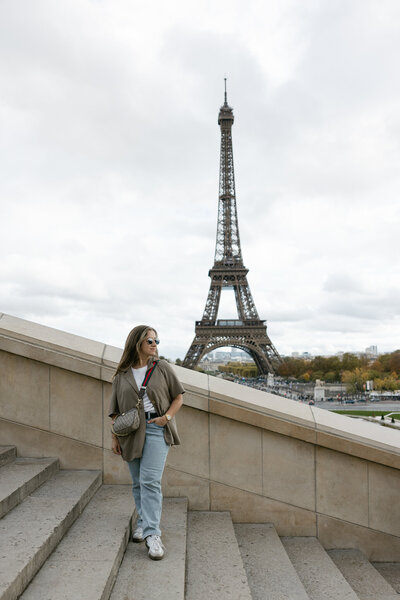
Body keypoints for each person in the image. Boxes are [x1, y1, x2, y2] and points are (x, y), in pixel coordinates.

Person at [108, 325, 184, 560]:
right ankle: (142, 521)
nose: (155, 345)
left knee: (150, 481)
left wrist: (166, 418)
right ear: (137, 343)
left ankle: (152, 534)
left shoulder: (161, 368)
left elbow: (178, 396)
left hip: (155, 428)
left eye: (156, 341)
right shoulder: (121, 375)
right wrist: (114, 437)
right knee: (138, 482)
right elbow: (115, 411)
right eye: (150, 340)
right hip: (129, 433)